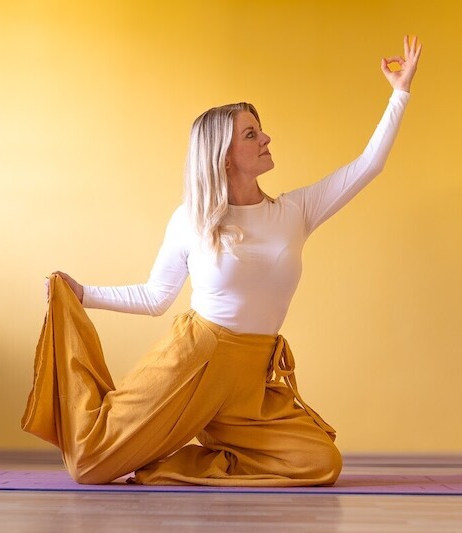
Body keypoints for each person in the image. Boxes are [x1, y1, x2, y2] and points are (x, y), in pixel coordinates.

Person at [23, 36, 423, 486]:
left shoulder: (294, 213)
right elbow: (157, 296)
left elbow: (369, 165)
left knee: (321, 462)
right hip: (196, 358)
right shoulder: (192, 220)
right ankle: (148, 443)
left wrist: (400, 92)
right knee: (90, 463)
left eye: (260, 129)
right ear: (223, 156)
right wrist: (83, 294)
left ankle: (170, 464)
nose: (266, 137)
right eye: (251, 134)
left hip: (250, 379)